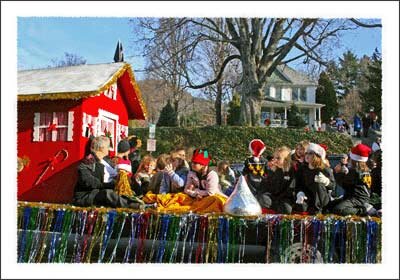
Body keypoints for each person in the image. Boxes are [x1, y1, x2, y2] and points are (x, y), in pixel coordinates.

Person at [73, 136, 144, 209]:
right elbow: (88, 181)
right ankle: (132, 205)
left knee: (126, 186)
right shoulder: (88, 162)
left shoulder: (107, 160)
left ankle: (140, 200)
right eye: (107, 146)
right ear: (101, 148)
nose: (109, 149)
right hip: (88, 195)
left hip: (106, 190)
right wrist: (109, 184)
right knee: (107, 193)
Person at [331, 144, 377, 216]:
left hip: (358, 199)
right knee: (330, 205)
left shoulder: (356, 171)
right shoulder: (364, 169)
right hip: (351, 196)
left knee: (338, 210)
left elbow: (342, 183)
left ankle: (363, 210)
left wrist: (337, 172)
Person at [294, 143, 335, 214]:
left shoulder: (324, 169)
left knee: (318, 184)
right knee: (300, 207)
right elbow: (298, 184)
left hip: (321, 199)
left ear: (317, 156)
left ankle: (319, 210)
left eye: (310, 153)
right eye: (306, 153)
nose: (307, 155)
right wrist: (300, 193)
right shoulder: (302, 169)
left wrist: (326, 181)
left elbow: (333, 186)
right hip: (307, 197)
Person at [260, 146, 295, 214]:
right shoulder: (275, 170)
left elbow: (290, 190)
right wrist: (271, 173)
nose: (275, 160)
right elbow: (268, 187)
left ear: (286, 159)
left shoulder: (291, 171)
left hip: (285, 199)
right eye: (274, 157)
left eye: (278, 158)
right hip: (274, 198)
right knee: (262, 199)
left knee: (286, 208)